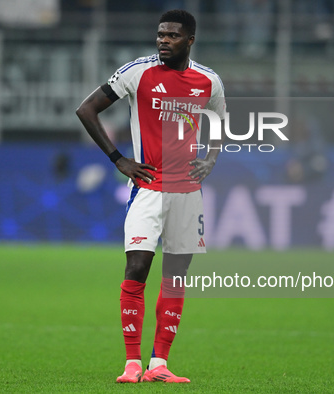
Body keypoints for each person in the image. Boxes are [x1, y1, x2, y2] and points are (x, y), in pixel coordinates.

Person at [75, 9, 225, 383]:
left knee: (176, 275)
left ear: (189, 40)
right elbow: (86, 109)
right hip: (147, 188)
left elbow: (220, 122)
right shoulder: (137, 72)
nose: (163, 40)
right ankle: (131, 363)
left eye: (172, 36)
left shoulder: (208, 81)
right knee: (138, 268)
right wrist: (118, 159)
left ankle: (159, 364)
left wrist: (209, 159)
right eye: (160, 34)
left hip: (187, 192)